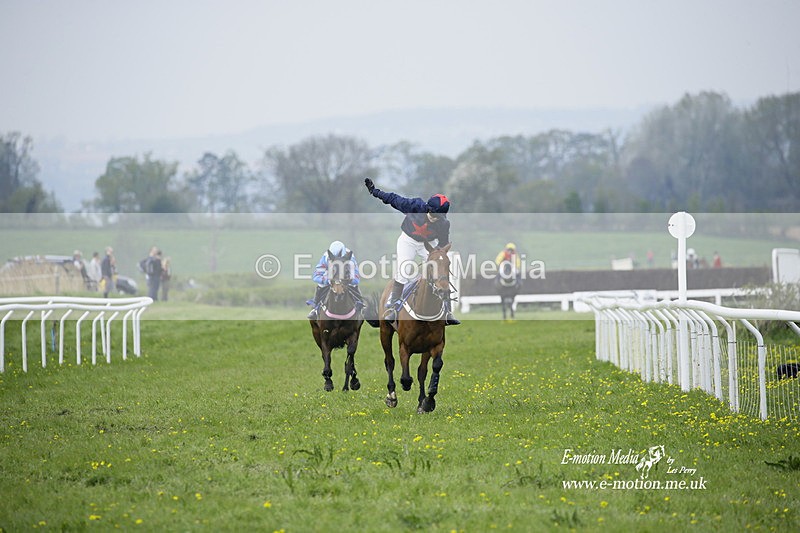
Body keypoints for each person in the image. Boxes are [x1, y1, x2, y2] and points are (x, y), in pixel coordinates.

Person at [364, 178, 459, 325]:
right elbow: (393, 199)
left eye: (439, 217)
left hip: (428, 244)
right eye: (434, 216)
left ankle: (447, 311)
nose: (436, 219)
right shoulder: (415, 206)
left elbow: (443, 244)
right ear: (428, 209)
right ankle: (393, 306)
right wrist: (375, 192)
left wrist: (438, 257)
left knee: (441, 269)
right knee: (405, 270)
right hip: (408, 241)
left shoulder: (444, 223)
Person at [307, 240, 364, 319]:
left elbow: (356, 279)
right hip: (331, 277)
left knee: (354, 284)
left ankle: (361, 305)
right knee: (321, 284)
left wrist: (346, 281)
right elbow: (316, 276)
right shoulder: (326, 257)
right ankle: (315, 308)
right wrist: (328, 280)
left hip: (345, 279)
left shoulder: (350, 258)